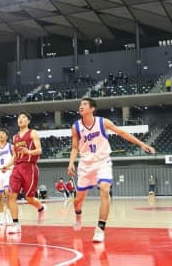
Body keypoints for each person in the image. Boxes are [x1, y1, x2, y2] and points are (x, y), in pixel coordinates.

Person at [67, 97, 156, 242]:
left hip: (103, 161)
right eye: (80, 105)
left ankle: (100, 228)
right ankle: (78, 215)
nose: (81, 106)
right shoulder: (76, 126)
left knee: (104, 189)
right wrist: (71, 162)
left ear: (92, 108)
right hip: (85, 165)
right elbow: (75, 147)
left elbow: (123, 133)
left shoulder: (103, 122)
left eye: (84, 104)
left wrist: (141, 144)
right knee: (78, 200)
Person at [2, 112, 46, 234]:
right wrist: (7, 165)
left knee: (29, 198)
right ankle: (16, 224)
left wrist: (28, 152)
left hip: (29, 167)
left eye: (23, 118)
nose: (20, 120)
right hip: (17, 168)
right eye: (19, 118)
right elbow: (15, 156)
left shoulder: (33, 133)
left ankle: (41, 208)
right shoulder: (15, 137)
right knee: (11, 195)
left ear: (28, 121)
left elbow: (39, 150)